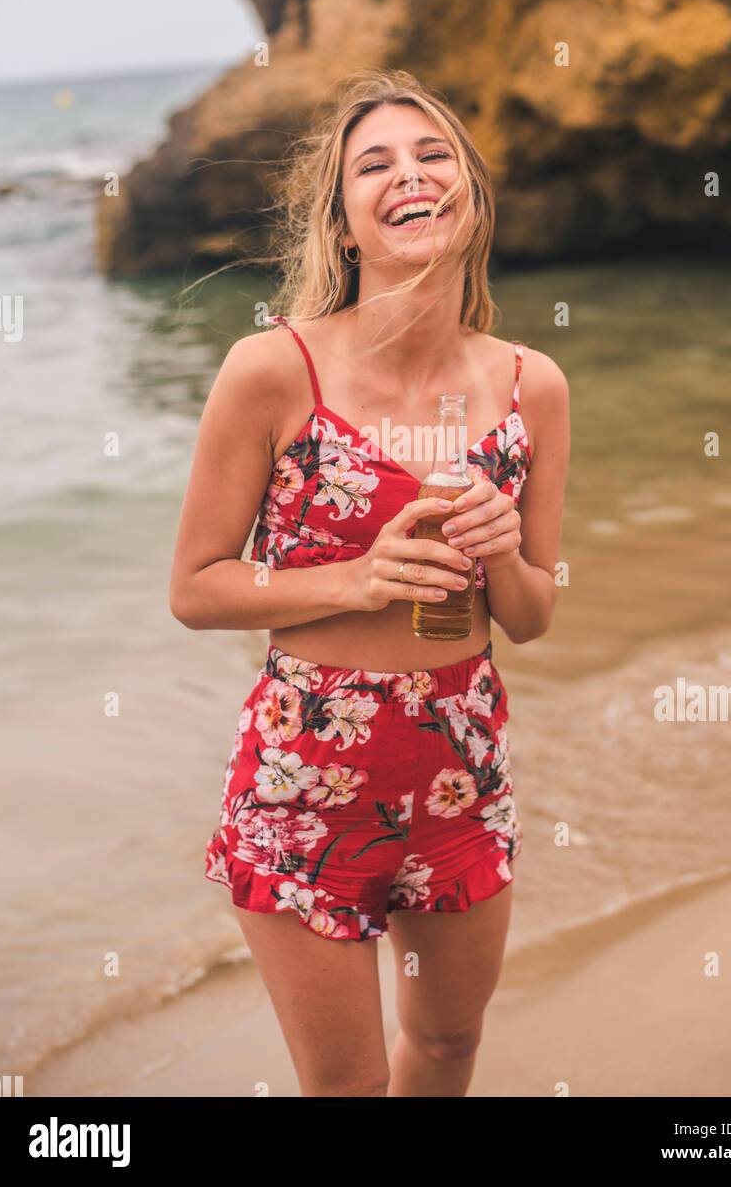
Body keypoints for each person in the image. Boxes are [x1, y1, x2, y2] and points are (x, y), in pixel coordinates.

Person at [169, 68, 570, 1097]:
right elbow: (198, 586)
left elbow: (529, 616)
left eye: (434, 154)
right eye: (375, 164)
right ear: (344, 223)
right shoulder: (273, 369)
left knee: (444, 1049)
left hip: (462, 763)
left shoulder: (533, 387)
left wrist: (501, 553)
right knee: (343, 1089)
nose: (410, 175)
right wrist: (358, 577)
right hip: (306, 772)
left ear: (468, 195)